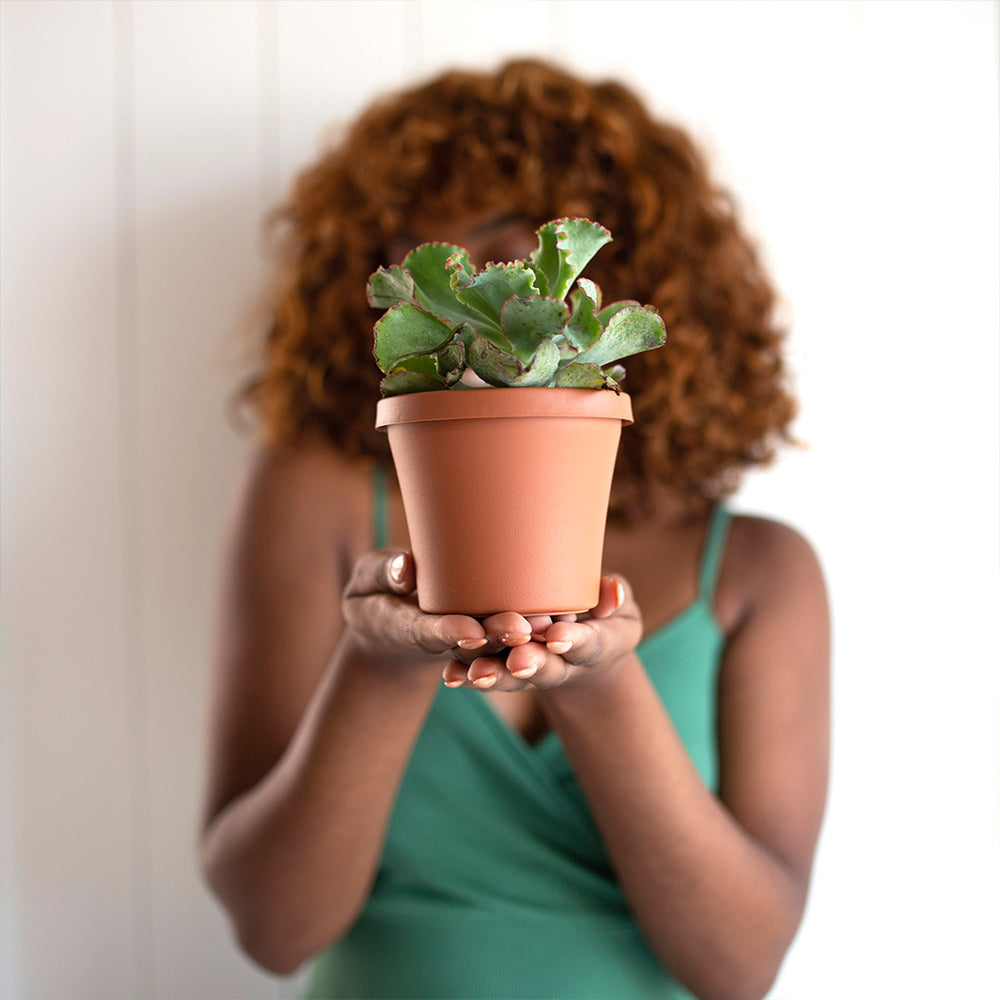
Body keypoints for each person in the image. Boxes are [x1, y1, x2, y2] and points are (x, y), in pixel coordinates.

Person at [198, 59, 830, 1000]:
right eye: (417, 256)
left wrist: (601, 685)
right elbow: (273, 929)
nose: (452, 295)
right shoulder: (318, 497)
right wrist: (377, 663)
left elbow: (739, 968)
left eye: (499, 253)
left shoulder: (759, 573)